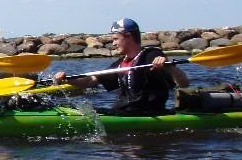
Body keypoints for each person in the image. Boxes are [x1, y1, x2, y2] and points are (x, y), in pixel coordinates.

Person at [53, 18, 189, 115]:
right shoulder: (120, 64)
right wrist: (67, 79)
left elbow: (183, 83)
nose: (113, 43)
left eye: (115, 39)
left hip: (147, 113)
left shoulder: (151, 55)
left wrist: (169, 66)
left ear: (128, 36)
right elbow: (90, 81)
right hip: (124, 111)